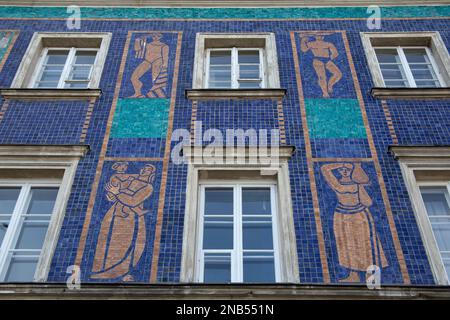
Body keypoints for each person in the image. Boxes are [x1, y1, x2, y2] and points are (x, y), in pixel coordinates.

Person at [321, 163, 388, 282]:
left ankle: (370, 274)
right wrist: (341, 163)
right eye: (342, 170)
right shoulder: (336, 183)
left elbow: (368, 202)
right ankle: (353, 275)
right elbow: (324, 169)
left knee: (366, 243)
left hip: (360, 215)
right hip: (341, 216)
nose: (345, 171)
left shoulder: (357, 185)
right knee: (346, 246)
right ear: (339, 171)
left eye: (347, 169)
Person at [91, 164, 156, 281]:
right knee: (105, 240)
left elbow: (133, 201)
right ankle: (101, 270)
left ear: (151, 175)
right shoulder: (132, 181)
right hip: (114, 212)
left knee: (124, 244)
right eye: (143, 168)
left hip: (129, 218)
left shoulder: (148, 187)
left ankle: (119, 272)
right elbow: (120, 191)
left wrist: (116, 193)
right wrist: (113, 195)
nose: (142, 170)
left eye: (147, 170)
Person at [129, 33, 169, 98]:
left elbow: (165, 56)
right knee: (134, 77)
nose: (156, 37)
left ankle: (159, 95)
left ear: (161, 37)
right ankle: (138, 93)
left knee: (155, 79)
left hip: (158, 61)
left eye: (158, 36)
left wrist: (164, 65)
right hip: (147, 61)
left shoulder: (164, 46)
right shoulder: (148, 45)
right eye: (154, 35)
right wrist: (137, 41)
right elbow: (137, 49)